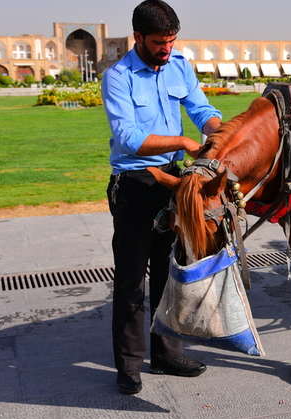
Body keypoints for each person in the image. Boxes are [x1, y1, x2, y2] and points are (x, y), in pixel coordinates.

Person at [101, 0, 222, 395]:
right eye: (158, 42)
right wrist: (186, 141)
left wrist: (218, 132)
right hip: (136, 184)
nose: (166, 49)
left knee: (171, 273)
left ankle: (167, 354)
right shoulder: (118, 76)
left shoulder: (179, 65)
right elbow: (129, 138)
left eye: (171, 41)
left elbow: (201, 108)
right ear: (137, 37)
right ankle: (130, 365)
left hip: (174, 182)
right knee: (132, 279)